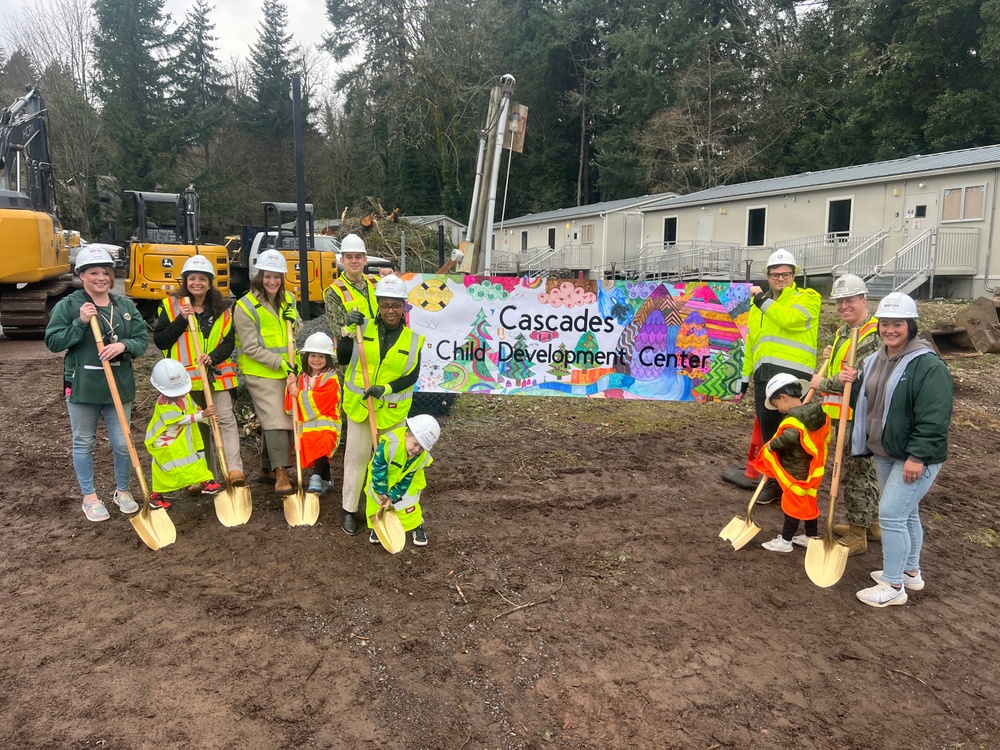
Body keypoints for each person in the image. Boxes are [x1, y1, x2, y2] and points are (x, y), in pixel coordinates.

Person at [844, 293, 953, 608]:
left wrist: (917, 456)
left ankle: (893, 587)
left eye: (898, 324)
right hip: (885, 451)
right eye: (885, 324)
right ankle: (909, 572)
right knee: (906, 514)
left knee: (890, 514)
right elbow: (868, 405)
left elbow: (935, 417)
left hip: (914, 457)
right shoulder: (876, 360)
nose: (890, 330)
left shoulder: (927, 365)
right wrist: (853, 382)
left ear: (911, 325)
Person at [45, 246, 148, 522]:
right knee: (83, 441)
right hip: (83, 385)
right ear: (81, 275)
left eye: (105, 272)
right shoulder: (68, 306)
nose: (101, 278)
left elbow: (142, 339)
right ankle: (89, 496)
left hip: (119, 383)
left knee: (123, 443)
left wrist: (124, 345)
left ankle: (123, 491)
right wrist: (80, 323)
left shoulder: (124, 306)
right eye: (94, 272)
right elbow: (53, 342)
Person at [726, 249, 822, 504]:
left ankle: (797, 485)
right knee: (771, 435)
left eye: (786, 274)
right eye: (775, 274)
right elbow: (752, 344)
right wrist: (745, 377)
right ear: (767, 276)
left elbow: (789, 320)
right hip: (765, 377)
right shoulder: (760, 307)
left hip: (794, 377)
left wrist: (760, 301)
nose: (781, 278)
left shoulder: (807, 297)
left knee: (795, 432)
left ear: (794, 275)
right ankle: (777, 484)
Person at [337, 274, 423, 535]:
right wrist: (347, 331)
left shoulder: (413, 340)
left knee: (390, 463)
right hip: (361, 409)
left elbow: (412, 377)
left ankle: (384, 508)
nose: (390, 311)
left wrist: (384, 389)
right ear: (378, 305)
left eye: (396, 305)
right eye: (385, 305)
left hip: (392, 414)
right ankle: (349, 509)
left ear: (403, 307)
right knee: (357, 459)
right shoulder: (363, 330)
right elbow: (342, 358)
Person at [152, 255, 245, 492]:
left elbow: (229, 342)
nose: (197, 283)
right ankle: (204, 476)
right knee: (197, 425)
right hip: (183, 381)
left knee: (224, 419)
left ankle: (234, 470)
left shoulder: (223, 308)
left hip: (217, 374)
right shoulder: (171, 306)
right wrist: (182, 320)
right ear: (185, 280)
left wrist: (211, 357)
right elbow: (161, 340)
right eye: (192, 278)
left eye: (202, 279)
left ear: (209, 282)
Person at [809, 274, 881, 555]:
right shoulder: (845, 330)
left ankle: (858, 533)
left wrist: (821, 383)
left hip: (859, 414)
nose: (843, 306)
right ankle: (871, 523)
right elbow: (842, 365)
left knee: (856, 473)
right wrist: (834, 350)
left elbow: (856, 376)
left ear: (864, 300)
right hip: (843, 413)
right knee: (863, 470)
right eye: (839, 302)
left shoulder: (872, 333)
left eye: (849, 301)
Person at [232, 249, 302, 494]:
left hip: (287, 371)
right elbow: (250, 347)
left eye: (277, 277)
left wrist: (296, 320)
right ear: (258, 276)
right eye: (267, 276)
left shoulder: (289, 300)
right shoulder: (245, 307)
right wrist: (278, 363)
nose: (272, 282)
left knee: (280, 416)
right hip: (261, 372)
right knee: (276, 421)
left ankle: (265, 469)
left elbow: (295, 331)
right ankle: (281, 473)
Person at [754, 373, 831, 552]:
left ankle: (786, 540)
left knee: (793, 506)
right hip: (810, 469)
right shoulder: (811, 413)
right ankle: (810, 536)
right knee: (808, 504)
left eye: (777, 405)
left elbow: (791, 435)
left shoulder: (794, 420)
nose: (779, 410)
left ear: (784, 397)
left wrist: (772, 445)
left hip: (795, 470)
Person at [144, 358, 221, 508]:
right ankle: (156, 496)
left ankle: (204, 481)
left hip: (180, 438)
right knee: (168, 470)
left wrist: (208, 419)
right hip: (165, 443)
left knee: (194, 458)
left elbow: (194, 409)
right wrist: (202, 415)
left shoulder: (185, 397)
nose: (179, 395)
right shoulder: (163, 405)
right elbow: (181, 419)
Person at [366, 414, 439, 548]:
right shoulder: (389, 445)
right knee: (375, 501)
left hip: (406, 478)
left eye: (422, 447)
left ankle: (417, 526)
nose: (417, 450)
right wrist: (381, 491)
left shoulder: (421, 457)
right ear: (406, 435)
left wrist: (393, 496)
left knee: (409, 502)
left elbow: (407, 480)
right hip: (381, 476)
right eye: (415, 444)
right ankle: (378, 526)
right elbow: (378, 469)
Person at [285, 332, 342, 495]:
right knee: (317, 448)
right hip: (307, 427)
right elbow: (291, 405)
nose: (316, 360)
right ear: (306, 357)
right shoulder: (301, 377)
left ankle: (316, 477)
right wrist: (290, 388)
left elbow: (322, 399)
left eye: (321, 357)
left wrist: (298, 393)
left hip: (327, 423)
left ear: (328, 359)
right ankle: (327, 481)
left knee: (323, 443)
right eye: (313, 355)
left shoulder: (331, 378)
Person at [324, 233, 382, 359]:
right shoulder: (334, 291)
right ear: (342, 260)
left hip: (378, 353)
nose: (354, 261)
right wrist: (349, 325)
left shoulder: (377, 282)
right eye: (349, 257)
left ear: (365, 260)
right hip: (352, 357)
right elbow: (339, 333)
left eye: (358, 257)